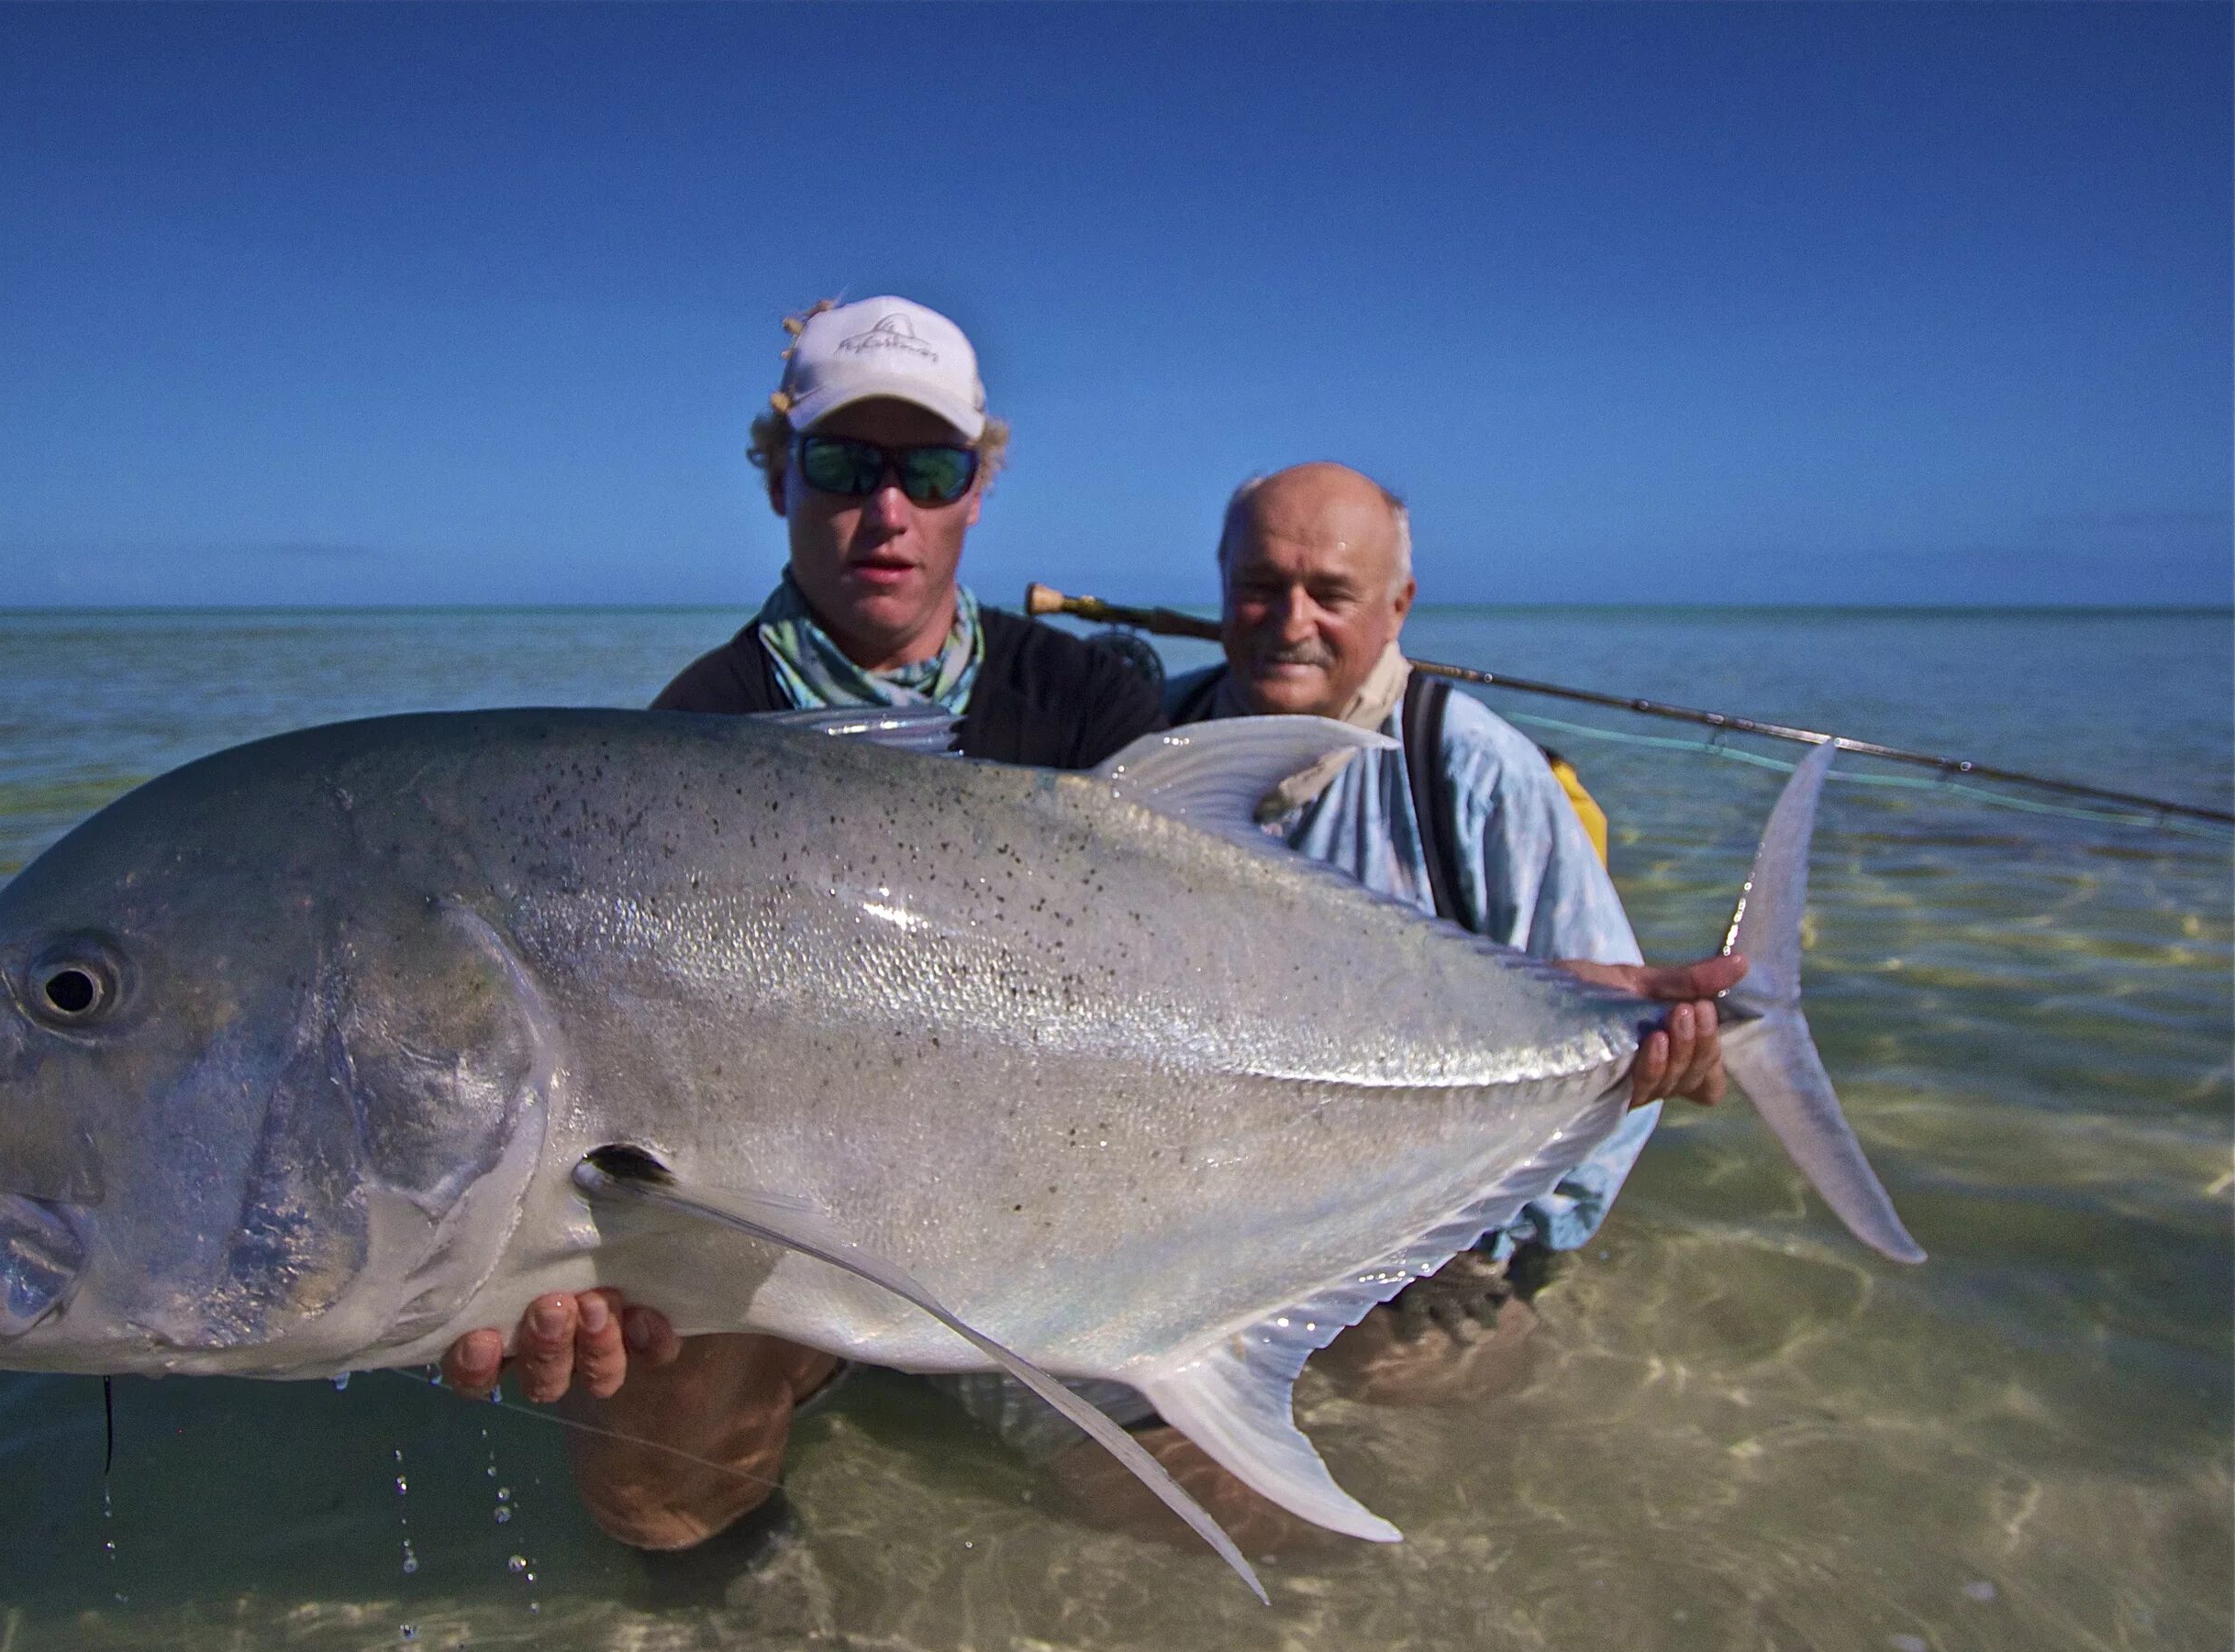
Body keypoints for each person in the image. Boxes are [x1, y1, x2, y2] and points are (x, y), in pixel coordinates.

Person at [439, 295, 1162, 1549]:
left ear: (976, 489)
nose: (887, 510)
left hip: (1057, 1214)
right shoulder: (689, 737)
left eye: (928, 469)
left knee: (1218, 1509)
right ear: (780, 476)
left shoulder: (1093, 696)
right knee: (653, 1502)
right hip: (781, 1240)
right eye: (841, 463)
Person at [1162, 460, 1739, 1380]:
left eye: (1331, 594)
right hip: (1192, 1227)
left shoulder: (1475, 773)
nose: (1290, 622)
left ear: (1399, 607)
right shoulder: (1148, 739)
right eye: (1261, 587)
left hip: (1433, 1241)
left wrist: (1483, 1251)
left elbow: (1617, 1051)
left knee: (1430, 1397)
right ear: (1223, 586)